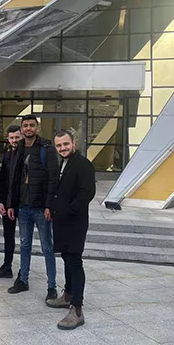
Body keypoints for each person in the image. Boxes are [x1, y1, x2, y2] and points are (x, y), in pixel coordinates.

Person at [6, 115, 59, 300]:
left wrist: (49, 205)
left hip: (41, 208)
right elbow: (13, 179)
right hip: (23, 207)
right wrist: (11, 204)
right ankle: (23, 280)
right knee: (24, 245)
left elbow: (53, 179)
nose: (28, 128)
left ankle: (52, 287)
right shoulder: (18, 148)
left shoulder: (47, 148)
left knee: (47, 248)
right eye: (25, 126)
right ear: (21, 129)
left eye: (31, 125)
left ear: (37, 127)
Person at [47, 130, 95, 330]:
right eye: (59, 145)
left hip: (74, 222)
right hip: (62, 221)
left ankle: (77, 309)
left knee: (74, 262)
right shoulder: (63, 163)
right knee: (67, 259)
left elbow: (87, 193)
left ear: (74, 143)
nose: (63, 148)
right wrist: (52, 207)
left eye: (66, 144)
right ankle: (67, 296)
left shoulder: (83, 164)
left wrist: (68, 211)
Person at [0, 125, 22, 279]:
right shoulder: (8, 155)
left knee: (25, 238)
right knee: (8, 236)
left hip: (22, 203)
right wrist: (1, 201)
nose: (14, 140)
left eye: (17, 137)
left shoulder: (26, 154)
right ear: (8, 139)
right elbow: (3, 180)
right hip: (7, 203)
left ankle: (24, 271)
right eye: (11, 137)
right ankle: (7, 266)